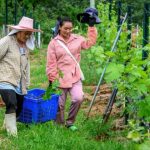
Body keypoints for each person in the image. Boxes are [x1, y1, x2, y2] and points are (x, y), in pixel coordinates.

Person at [46, 13, 98, 131]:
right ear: (59, 27)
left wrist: (91, 26)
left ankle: (70, 122)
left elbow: (90, 42)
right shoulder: (53, 43)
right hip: (60, 77)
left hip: (75, 75)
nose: (68, 31)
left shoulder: (78, 39)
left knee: (78, 98)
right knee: (59, 104)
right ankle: (58, 124)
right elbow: (51, 63)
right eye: (65, 28)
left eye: (70, 28)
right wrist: (51, 80)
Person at [0, 16, 41, 136]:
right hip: (5, 78)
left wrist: (27, 83)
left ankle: (5, 125)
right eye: (26, 33)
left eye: (29, 34)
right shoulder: (7, 41)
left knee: (18, 106)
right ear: (18, 31)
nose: (27, 36)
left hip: (20, 82)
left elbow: (26, 66)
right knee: (11, 102)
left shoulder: (25, 47)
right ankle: (13, 134)